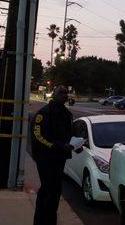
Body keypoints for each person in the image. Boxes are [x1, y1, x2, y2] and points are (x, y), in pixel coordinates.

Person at [31, 86, 74, 225]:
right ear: (53, 95)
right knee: (47, 189)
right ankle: (40, 221)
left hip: (60, 158)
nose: (64, 95)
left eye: (66, 93)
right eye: (61, 93)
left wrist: (75, 145)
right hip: (45, 158)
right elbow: (38, 136)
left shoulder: (67, 115)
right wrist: (59, 146)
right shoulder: (43, 113)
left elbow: (69, 134)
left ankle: (50, 221)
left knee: (56, 190)